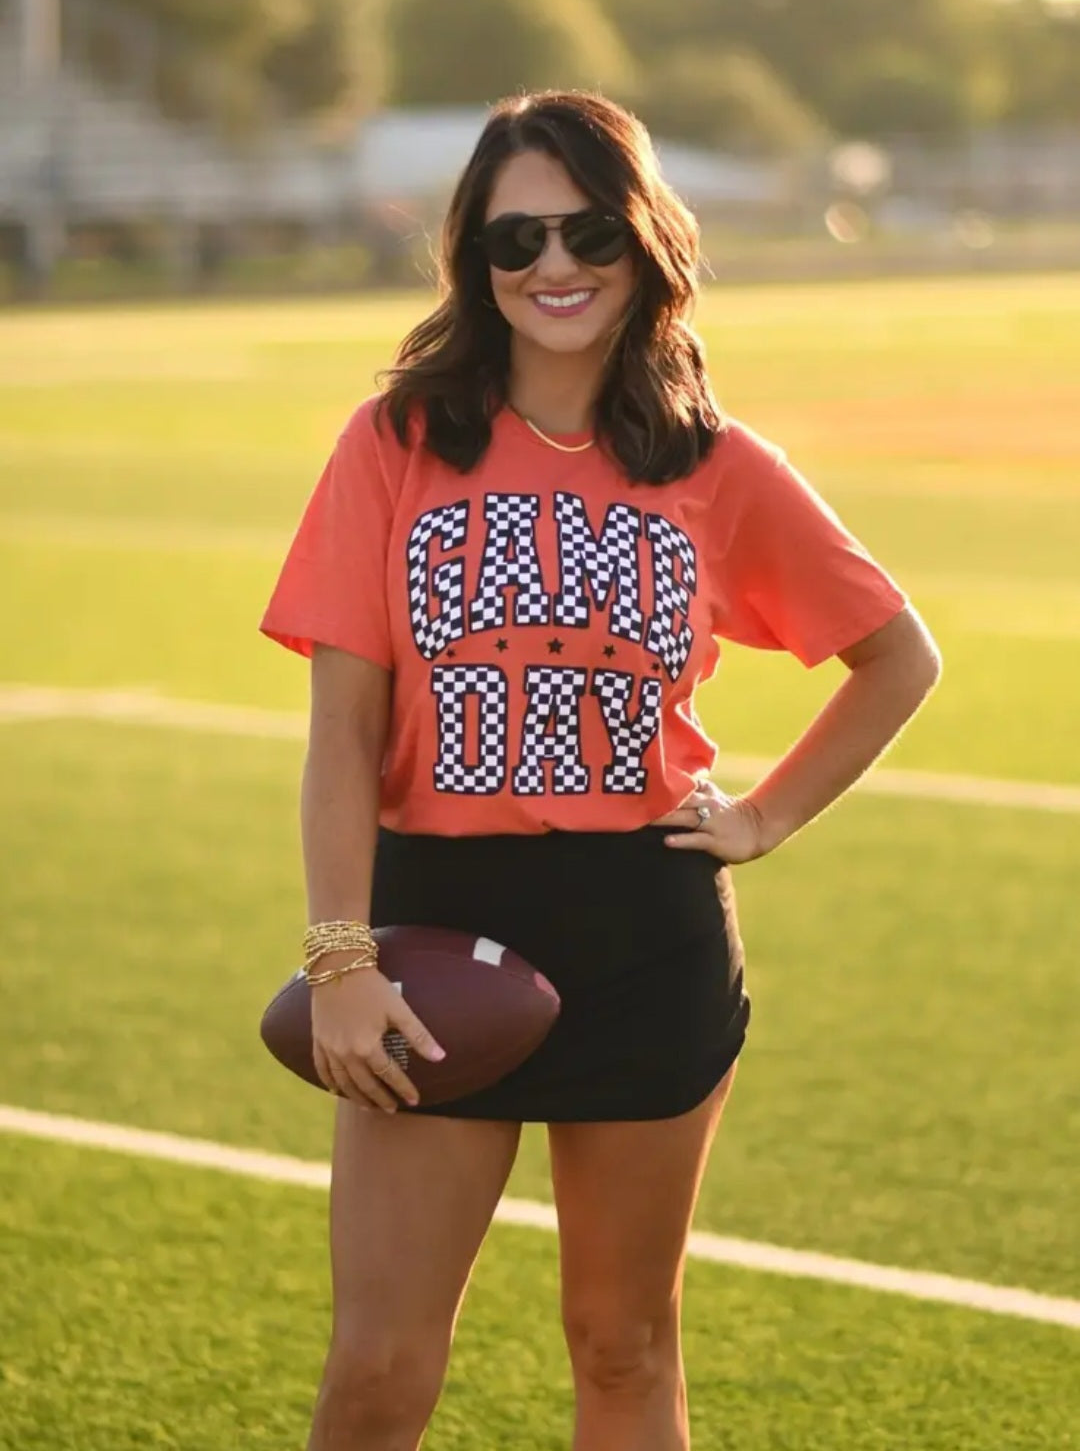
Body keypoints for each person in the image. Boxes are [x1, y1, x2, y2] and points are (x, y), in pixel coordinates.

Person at [259, 90, 941, 1451]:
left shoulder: (716, 464)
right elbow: (341, 731)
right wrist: (341, 957)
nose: (554, 268)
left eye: (587, 233)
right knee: (380, 1369)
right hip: (433, 931)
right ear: (474, 259)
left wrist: (762, 817)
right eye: (518, 240)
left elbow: (897, 656)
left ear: (643, 247)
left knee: (624, 1350)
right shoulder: (393, 443)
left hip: (646, 929)